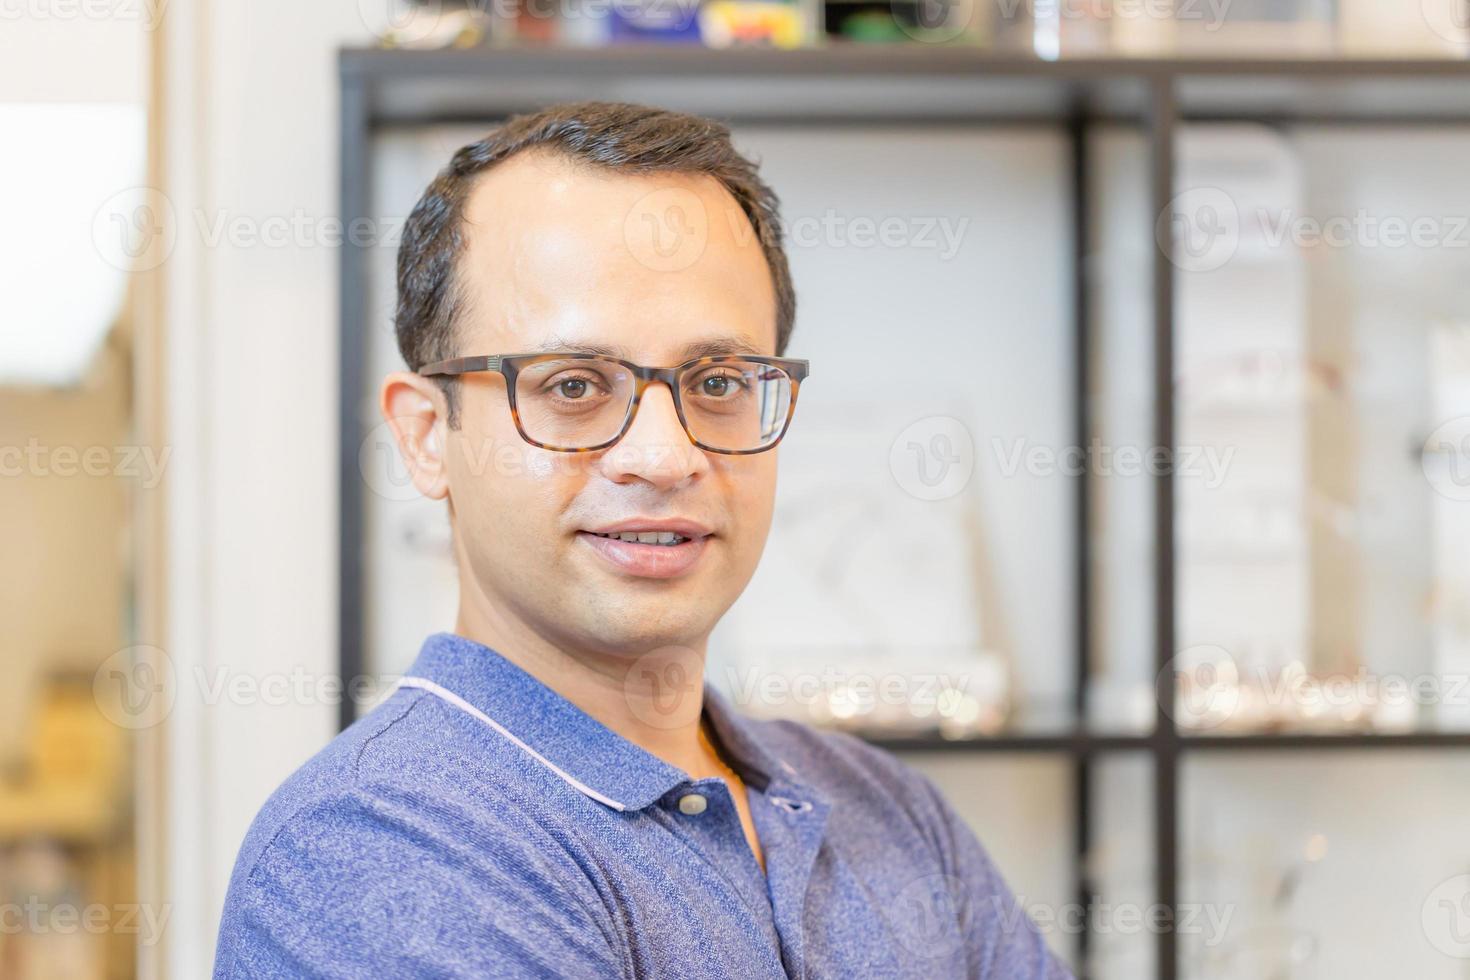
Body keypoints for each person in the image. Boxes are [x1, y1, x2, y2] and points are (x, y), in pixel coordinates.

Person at [213, 100, 1072, 979]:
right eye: (575, 385)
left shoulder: (888, 809)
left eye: (721, 380)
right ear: (429, 436)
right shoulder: (377, 849)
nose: (666, 456)